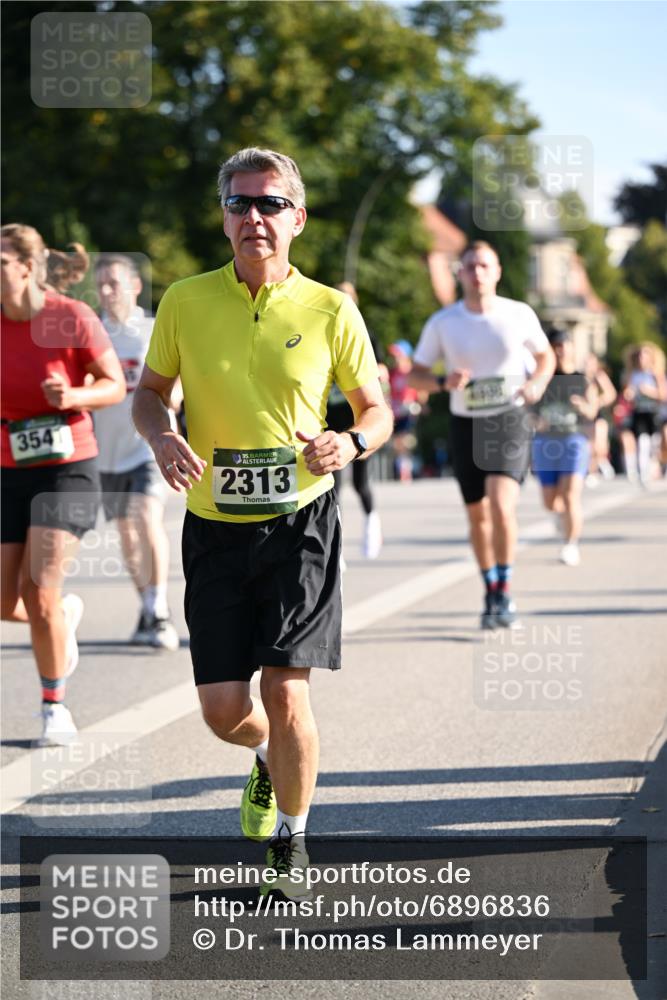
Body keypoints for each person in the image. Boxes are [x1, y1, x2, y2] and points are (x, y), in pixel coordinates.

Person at [132, 147, 392, 896]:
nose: (254, 217)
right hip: (213, 524)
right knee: (223, 711)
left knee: (285, 692)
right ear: (223, 218)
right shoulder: (185, 300)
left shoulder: (330, 309)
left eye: (269, 204)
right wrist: (160, 431)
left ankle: (292, 836)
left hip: (299, 522)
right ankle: (262, 759)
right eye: (239, 204)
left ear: (297, 219)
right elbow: (150, 392)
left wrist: (348, 439)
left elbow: (377, 409)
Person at [1, 224, 125, 745]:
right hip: (8, 467)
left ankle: (55, 706)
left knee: (41, 590)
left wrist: (73, 395)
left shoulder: (69, 317)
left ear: (27, 268)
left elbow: (115, 385)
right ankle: (60, 623)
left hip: (67, 466)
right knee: (7, 601)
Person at [409, 241, 554, 629]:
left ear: (498, 270)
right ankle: (490, 586)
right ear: (460, 273)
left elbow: (545, 357)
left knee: (501, 504)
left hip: (507, 417)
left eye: (484, 266)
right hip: (465, 421)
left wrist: (538, 382)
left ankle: (504, 590)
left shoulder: (518, 314)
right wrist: (443, 380)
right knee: (477, 515)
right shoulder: (443, 322)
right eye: (470, 266)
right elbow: (414, 374)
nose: (477, 273)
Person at [93, 254, 181, 650]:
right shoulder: (91, 334)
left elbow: (177, 372)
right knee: (127, 535)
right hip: (105, 452)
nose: (107, 292)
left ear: (135, 286)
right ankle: (146, 606)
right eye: (101, 285)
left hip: (147, 443)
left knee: (146, 516)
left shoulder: (150, 330)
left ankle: (160, 606)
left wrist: (175, 395)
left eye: (114, 283)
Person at [327, 282, 387, 559]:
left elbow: (382, 368)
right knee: (334, 485)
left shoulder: (367, 335)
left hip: (358, 421)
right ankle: (334, 544)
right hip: (330, 421)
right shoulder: (321, 332)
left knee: (361, 483)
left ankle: (371, 523)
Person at [532, 329, 599, 566]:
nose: (560, 349)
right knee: (550, 502)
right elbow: (528, 411)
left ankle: (571, 545)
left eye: (563, 344)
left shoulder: (581, 380)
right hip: (545, 443)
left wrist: (582, 406)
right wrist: (536, 422)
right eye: (555, 345)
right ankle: (561, 518)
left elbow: (594, 410)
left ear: (571, 347)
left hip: (574, 441)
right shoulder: (541, 379)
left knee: (571, 496)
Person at [621, 343, 667, 486]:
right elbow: (626, 393)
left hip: (655, 413)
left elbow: (663, 395)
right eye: (640, 355)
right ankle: (643, 472)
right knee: (642, 442)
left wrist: (648, 391)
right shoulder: (632, 374)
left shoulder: (656, 374)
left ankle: (658, 466)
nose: (642, 358)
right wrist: (630, 394)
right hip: (639, 412)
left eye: (645, 355)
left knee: (656, 443)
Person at [583, 353, 617, 485]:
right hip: (586, 414)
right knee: (589, 445)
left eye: (590, 363)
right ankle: (592, 470)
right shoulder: (581, 377)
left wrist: (597, 402)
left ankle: (598, 466)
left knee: (598, 444)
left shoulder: (599, 376)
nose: (588, 365)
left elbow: (611, 394)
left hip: (599, 414)